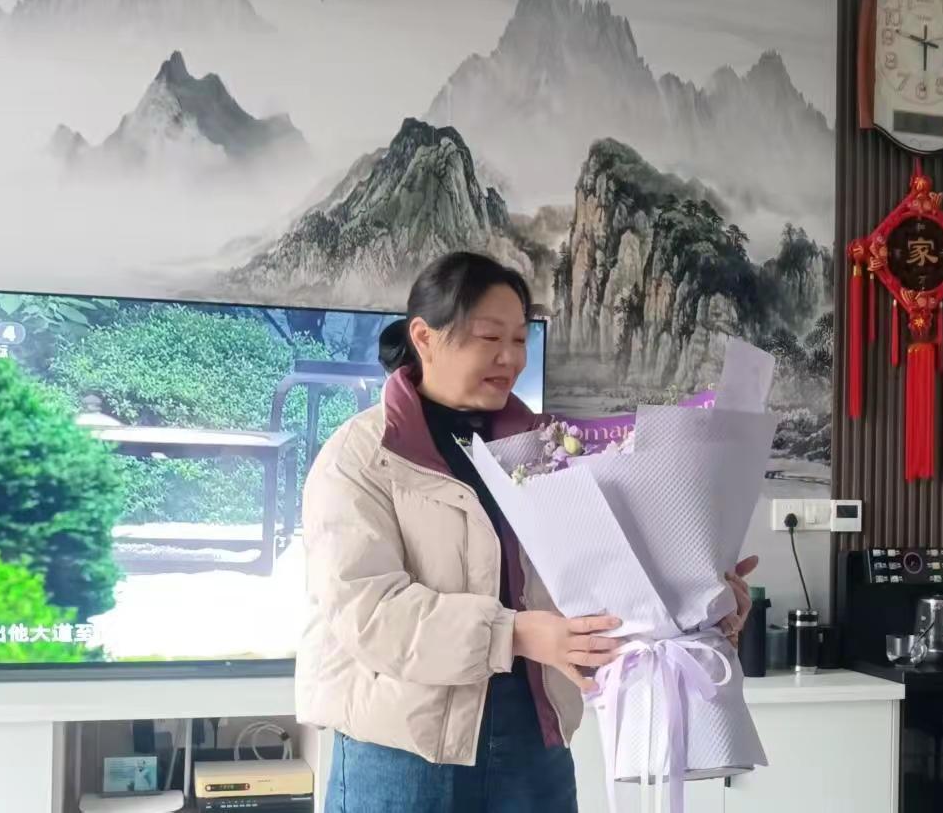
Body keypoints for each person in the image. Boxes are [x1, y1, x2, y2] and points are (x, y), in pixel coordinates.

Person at [296, 251, 756, 813]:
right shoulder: (363, 456)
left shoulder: (549, 452)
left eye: (519, 339)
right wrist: (514, 634)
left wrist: (699, 601)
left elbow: (605, 583)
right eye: (490, 338)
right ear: (424, 337)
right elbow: (369, 614)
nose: (510, 357)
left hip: (534, 743)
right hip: (404, 751)